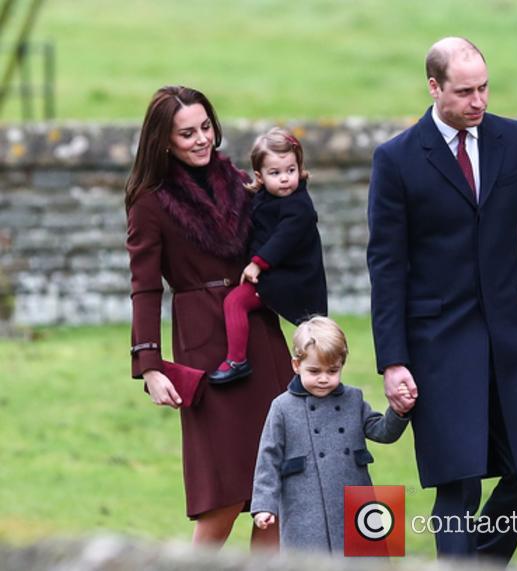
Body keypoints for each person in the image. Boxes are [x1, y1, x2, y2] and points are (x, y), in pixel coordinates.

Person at [366, 37, 517, 562]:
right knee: (457, 481)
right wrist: (393, 361)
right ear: (434, 86)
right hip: (438, 341)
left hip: (512, 334)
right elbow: (387, 267)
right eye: (465, 91)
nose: (479, 101)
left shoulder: (516, 139)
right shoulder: (395, 159)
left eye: (484, 87)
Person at [125, 86, 293, 548]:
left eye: (205, 128)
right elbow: (144, 286)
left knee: (272, 492)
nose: (201, 139)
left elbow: (287, 242)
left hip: (260, 336)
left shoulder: (243, 183)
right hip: (204, 349)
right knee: (220, 496)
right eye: (186, 133)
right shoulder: (150, 200)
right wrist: (151, 366)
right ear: (163, 140)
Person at [250, 316, 412, 552]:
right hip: (304, 509)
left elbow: (382, 432)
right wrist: (264, 506)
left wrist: (398, 411)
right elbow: (268, 459)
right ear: (296, 366)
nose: (324, 378)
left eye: (333, 370)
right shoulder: (281, 407)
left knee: (368, 561)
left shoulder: (354, 399)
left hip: (357, 501)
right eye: (314, 371)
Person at [209, 128, 327, 384]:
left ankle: (236, 360)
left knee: (236, 303)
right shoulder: (263, 198)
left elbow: (283, 239)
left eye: (291, 170)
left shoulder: (299, 206)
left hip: (292, 279)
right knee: (311, 330)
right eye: (275, 173)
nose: (285, 179)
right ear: (259, 176)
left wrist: (257, 264)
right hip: (278, 275)